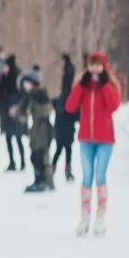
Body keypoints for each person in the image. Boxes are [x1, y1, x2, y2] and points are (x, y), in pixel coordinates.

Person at [66, 51, 121, 237]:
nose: (95, 68)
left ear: (104, 66)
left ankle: (100, 218)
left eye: (98, 65)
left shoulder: (110, 84)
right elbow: (70, 106)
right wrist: (81, 86)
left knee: (100, 176)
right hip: (86, 139)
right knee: (87, 177)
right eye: (92, 64)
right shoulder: (84, 85)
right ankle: (84, 218)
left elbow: (114, 105)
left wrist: (105, 84)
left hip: (105, 139)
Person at [16, 68, 53, 192]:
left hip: (42, 130)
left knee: (40, 156)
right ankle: (39, 181)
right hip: (36, 130)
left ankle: (43, 181)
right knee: (35, 156)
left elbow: (45, 111)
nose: (24, 85)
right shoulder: (31, 95)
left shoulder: (39, 94)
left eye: (26, 83)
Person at [0, 54, 26, 171]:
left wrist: (16, 107)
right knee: (8, 138)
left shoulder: (18, 77)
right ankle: (12, 162)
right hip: (6, 111)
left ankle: (22, 162)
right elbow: (0, 93)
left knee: (18, 138)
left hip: (15, 111)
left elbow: (22, 95)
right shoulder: (4, 77)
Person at [52, 53, 78, 182]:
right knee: (64, 150)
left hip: (64, 126)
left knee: (62, 149)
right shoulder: (66, 96)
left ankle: (55, 169)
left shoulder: (64, 96)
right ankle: (61, 170)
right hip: (65, 126)